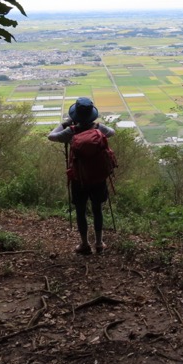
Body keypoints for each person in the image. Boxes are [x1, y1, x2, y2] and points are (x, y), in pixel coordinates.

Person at [48, 97, 115, 254]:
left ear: (75, 115)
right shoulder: (99, 129)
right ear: (92, 114)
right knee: (97, 209)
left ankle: (84, 244)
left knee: (80, 210)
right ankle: (99, 243)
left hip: (79, 178)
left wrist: (65, 123)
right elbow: (113, 132)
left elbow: (51, 136)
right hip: (98, 177)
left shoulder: (70, 131)